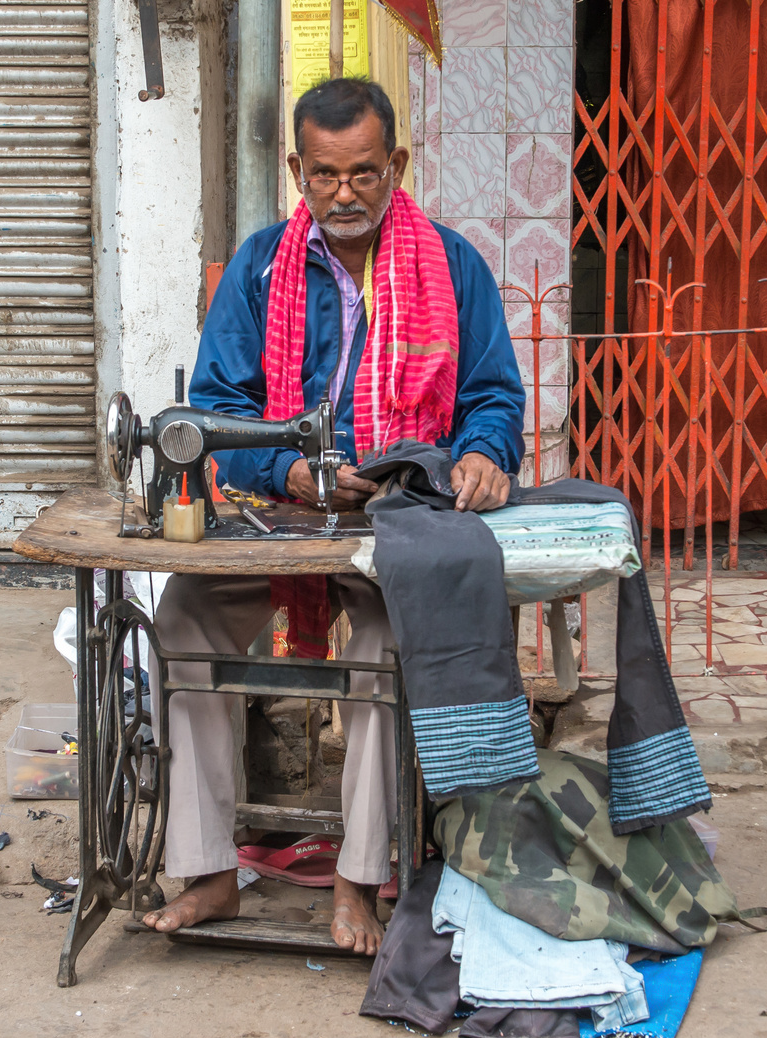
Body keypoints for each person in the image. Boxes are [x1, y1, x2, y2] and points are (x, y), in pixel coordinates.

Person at [141, 77, 525, 954]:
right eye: (324, 176)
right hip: (283, 516)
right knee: (183, 628)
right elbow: (214, 408)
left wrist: (482, 453)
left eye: (362, 173)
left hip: (394, 519)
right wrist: (288, 469)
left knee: (380, 651)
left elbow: (494, 396)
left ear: (396, 164)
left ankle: (357, 879)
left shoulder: (453, 265)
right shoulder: (260, 267)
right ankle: (208, 873)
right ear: (297, 172)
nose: (344, 194)